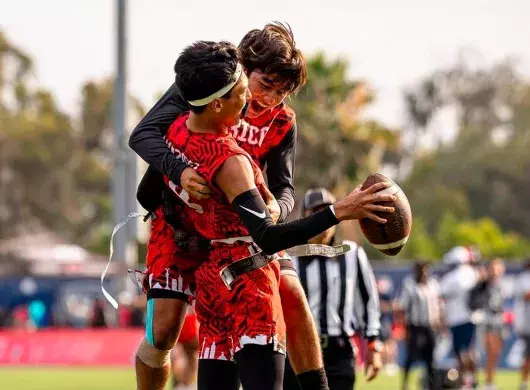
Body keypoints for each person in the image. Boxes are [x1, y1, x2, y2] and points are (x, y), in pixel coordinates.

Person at [134, 40, 396, 390]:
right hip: (182, 227)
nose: (270, 99)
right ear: (237, 79)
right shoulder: (208, 84)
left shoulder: (280, 121)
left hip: (239, 230)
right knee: (164, 331)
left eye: (282, 91)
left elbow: (284, 188)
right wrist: (179, 170)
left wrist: (278, 206)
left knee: (291, 291)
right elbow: (144, 135)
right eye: (265, 86)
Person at [284, 188, 383, 390]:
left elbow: (368, 301)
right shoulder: (289, 255)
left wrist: (373, 344)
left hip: (339, 352)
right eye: (315, 213)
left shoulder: (352, 253)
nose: (322, 219)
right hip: (297, 351)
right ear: (304, 218)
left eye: (326, 211)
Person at [440, 246, 486, 389]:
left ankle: (465, 381)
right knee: (471, 350)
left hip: (458, 319)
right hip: (474, 317)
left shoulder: (452, 277)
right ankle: (472, 379)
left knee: (461, 351)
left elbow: (440, 293)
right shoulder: (474, 273)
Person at [396, 261, 442, 390]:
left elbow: (438, 305)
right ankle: (405, 383)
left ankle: (431, 384)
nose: (425, 273)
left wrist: (440, 322)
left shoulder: (433, 284)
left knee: (431, 355)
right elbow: (403, 306)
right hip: (414, 325)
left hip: (430, 326)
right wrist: (404, 328)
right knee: (411, 355)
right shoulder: (410, 284)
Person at [481, 258, 506, 390]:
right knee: (490, 352)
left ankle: (490, 380)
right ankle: (488, 382)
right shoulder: (485, 284)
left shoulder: (503, 284)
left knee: (496, 353)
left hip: (500, 321)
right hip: (488, 320)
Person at [513, 260, 530, 390]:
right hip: (527, 324)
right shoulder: (524, 278)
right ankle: (524, 382)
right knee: (527, 355)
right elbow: (526, 295)